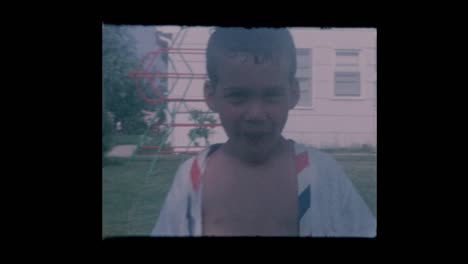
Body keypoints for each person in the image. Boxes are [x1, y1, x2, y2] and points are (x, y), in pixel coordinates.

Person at [151, 27, 376, 237]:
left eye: (271, 95)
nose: (256, 114)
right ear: (211, 95)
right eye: (238, 95)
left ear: (294, 92)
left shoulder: (324, 176)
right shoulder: (190, 182)